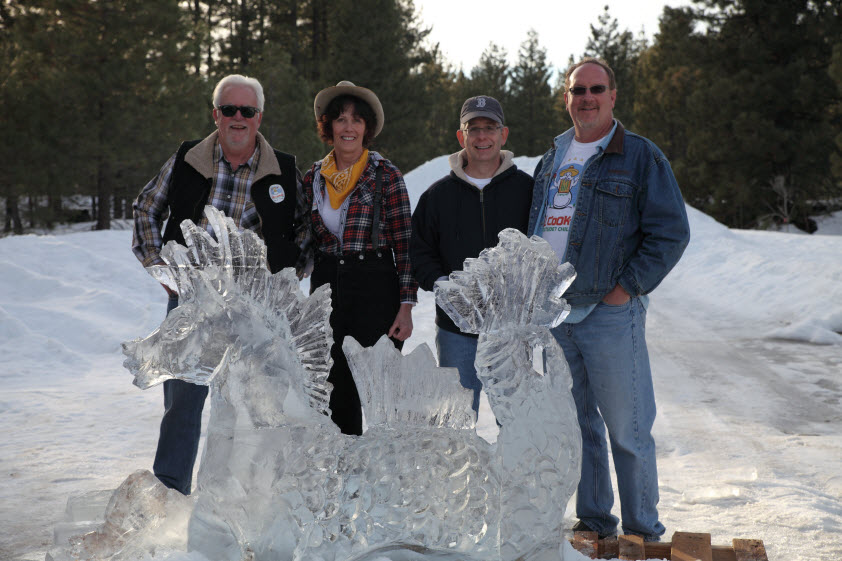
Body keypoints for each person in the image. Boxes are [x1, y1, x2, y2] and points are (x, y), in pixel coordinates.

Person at [528, 58, 690, 541]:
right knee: (577, 425)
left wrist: (626, 290)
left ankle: (643, 532)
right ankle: (595, 522)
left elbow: (670, 233)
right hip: (555, 314)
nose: (587, 98)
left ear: (613, 95)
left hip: (608, 313)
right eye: (578, 90)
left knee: (628, 428)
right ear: (567, 98)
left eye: (597, 89)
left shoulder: (640, 156)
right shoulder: (551, 158)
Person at [131, 74, 306, 495]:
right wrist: (163, 271)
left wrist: (284, 282)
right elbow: (145, 210)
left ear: (259, 117)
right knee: (183, 404)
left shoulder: (283, 168)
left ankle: (255, 501)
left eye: (247, 110)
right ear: (216, 114)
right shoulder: (187, 158)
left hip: (253, 309)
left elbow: (305, 233)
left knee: (257, 405)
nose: (238, 118)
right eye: (230, 109)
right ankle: (172, 494)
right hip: (194, 301)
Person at [299, 81, 417, 436]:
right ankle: (345, 482)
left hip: (376, 289)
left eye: (356, 120)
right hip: (327, 291)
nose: (348, 127)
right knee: (335, 393)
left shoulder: (386, 175)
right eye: (340, 119)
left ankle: (386, 482)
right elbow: (302, 241)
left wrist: (406, 307)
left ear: (367, 129)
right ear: (328, 127)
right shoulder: (311, 178)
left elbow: (405, 244)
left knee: (381, 394)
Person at [410, 95, 533, 416]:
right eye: (473, 128)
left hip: (512, 332)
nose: (482, 137)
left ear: (503, 134)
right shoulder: (437, 196)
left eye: (489, 128)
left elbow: (542, 251)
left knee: (519, 422)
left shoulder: (528, 190)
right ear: (460, 136)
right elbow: (418, 252)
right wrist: (444, 286)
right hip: (456, 333)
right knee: (459, 424)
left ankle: (514, 470)